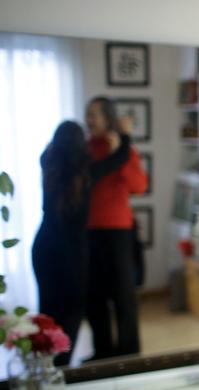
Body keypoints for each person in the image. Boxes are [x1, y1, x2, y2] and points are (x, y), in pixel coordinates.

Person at [32, 120, 133, 366]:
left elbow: (49, 151)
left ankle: (46, 363)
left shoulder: (48, 163)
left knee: (48, 309)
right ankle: (62, 364)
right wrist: (125, 136)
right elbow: (119, 158)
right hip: (72, 250)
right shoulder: (86, 172)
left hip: (44, 245)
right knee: (74, 310)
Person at [84, 96, 147, 359]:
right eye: (88, 114)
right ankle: (102, 351)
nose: (89, 120)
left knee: (123, 294)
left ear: (107, 117)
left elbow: (139, 186)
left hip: (119, 230)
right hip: (89, 230)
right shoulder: (85, 149)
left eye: (94, 114)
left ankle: (129, 352)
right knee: (94, 295)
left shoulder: (125, 150)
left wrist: (120, 152)